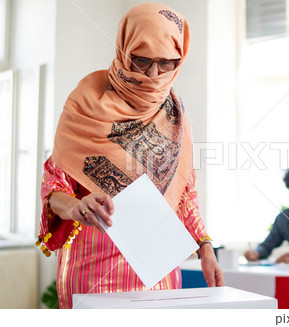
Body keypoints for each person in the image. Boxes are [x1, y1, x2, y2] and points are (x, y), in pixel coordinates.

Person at [36, 3, 223, 309]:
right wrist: (76, 207)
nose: (153, 74)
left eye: (167, 63)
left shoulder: (174, 116)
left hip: (157, 267)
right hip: (91, 264)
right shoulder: (87, 102)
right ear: (124, 50)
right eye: (142, 61)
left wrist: (205, 245)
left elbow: (185, 194)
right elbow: (54, 187)